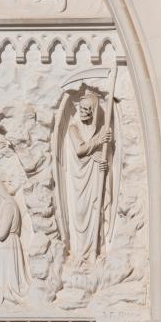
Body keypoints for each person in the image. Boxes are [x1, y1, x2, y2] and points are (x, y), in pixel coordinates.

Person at [64, 90, 112, 262]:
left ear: (94, 111)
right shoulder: (73, 128)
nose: (83, 112)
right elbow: (80, 149)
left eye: (87, 109)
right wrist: (99, 141)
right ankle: (81, 254)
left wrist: (106, 164)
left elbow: (105, 157)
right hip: (79, 180)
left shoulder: (100, 131)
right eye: (81, 108)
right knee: (80, 212)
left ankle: (94, 253)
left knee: (95, 209)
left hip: (94, 178)